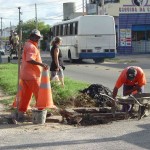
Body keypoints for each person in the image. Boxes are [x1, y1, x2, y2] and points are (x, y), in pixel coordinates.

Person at [17, 29, 49, 121]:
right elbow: (29, 59)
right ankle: (41, 111)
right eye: (36, 37)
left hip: (25, 74)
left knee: (26, 95)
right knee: (39, 93)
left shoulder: (28, 44)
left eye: (39, 37)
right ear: (31, 36)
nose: (38, 39)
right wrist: (42, 64)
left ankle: (21, 113)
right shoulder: (31, 46)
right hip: (31, 75)